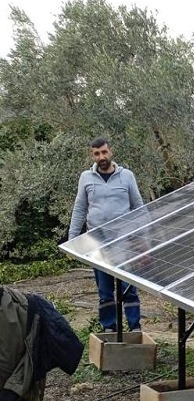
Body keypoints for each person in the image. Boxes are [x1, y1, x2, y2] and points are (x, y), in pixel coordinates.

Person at [68, 137, 145, 332]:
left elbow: (139, 207)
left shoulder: (126, 176)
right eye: (96, 153)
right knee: (105, 292)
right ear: (92, 155)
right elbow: (80, 209)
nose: (101, 157)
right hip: (98, 243)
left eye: (104, 152)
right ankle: (109, 328)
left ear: (110, 152)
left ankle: (134, 327)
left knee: (129, 288)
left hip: (125, 241)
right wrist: (72, 240)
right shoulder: (86, 177)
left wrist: (144, 239)